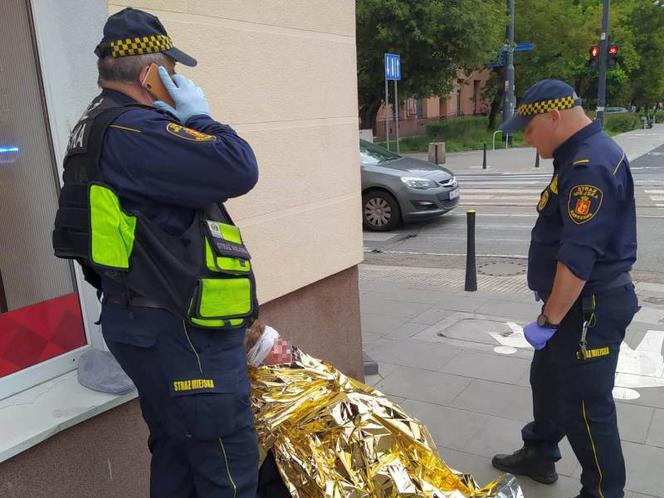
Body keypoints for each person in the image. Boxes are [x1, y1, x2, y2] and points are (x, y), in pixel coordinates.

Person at [53, 7, 260, 498]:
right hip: (182, 332)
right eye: (174, 69)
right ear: (151, 73)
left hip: (142, 320)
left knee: (175, 449)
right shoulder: (134, 131)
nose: (180, 80)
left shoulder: (96, 127)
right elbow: (238, 167)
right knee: (226, 467)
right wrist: (201, 118)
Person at [491, 80, 639, 498]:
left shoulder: (588, 167)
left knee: (588, 409)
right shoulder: (576, 154)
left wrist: (548, 319)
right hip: (575, 308)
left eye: (529, 128)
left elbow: (577, 260)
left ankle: (603, 492)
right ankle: (540, 453)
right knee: (548, 382)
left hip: (587, 309)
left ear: (554, 116)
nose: (525, 137)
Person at [244, 321, 524, 498]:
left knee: (398, 437)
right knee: (375, 460)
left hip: (358, 414)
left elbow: (333, 379)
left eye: (282, 343)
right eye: (277, 348)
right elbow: (275, 423)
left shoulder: (295, 361)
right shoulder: (263, 388)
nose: (288, 349)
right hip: (330, 435)